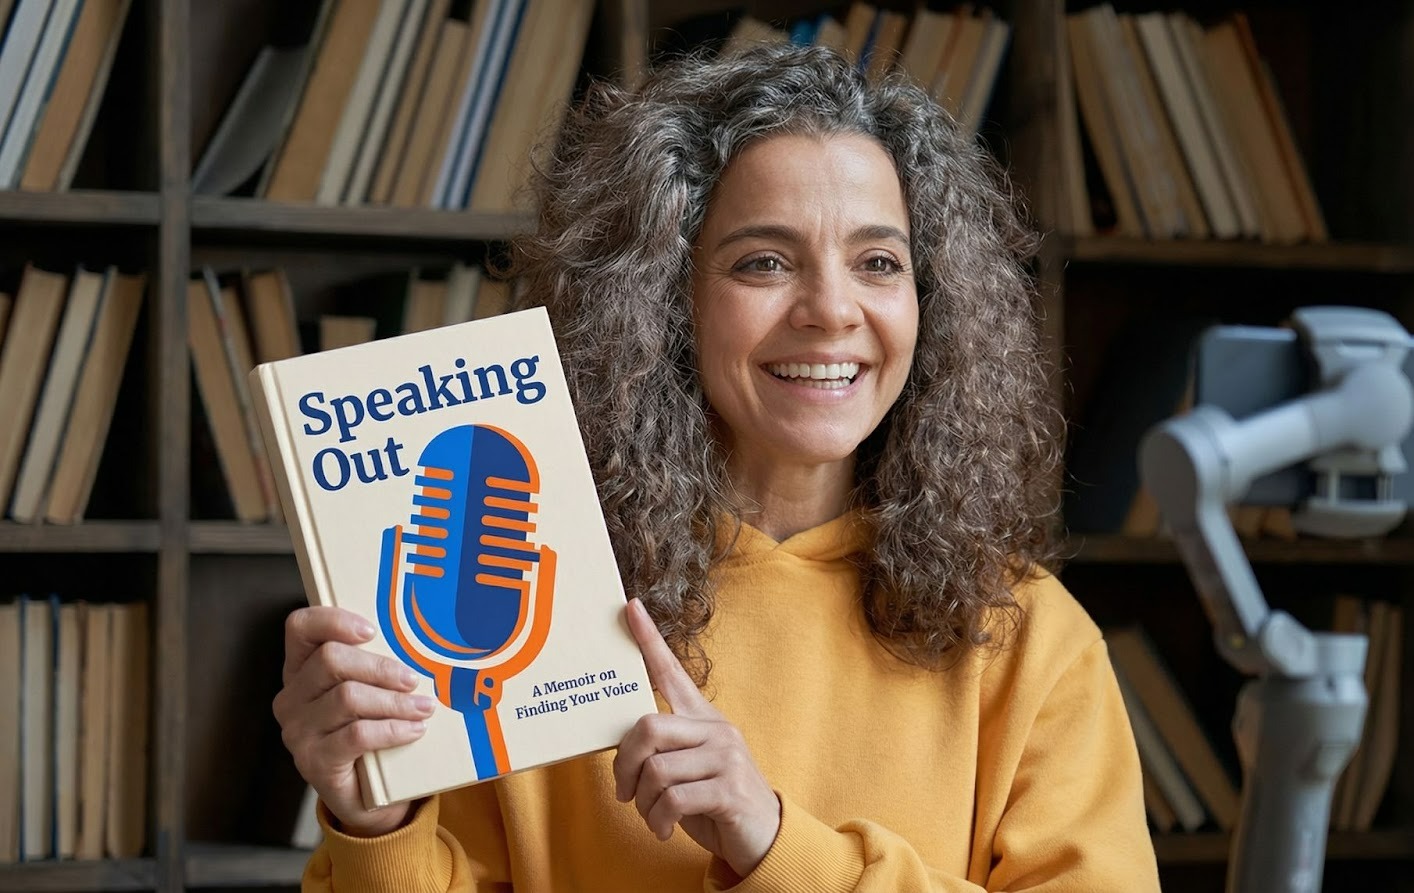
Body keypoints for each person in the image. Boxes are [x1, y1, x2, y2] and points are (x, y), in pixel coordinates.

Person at [274, 43, 1160, 891]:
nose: (830, 310)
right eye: (764, 261)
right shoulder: (525, 612)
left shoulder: (1032, 640)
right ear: (666, 295)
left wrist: (773, 841)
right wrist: (374, 825)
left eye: (878, 262)